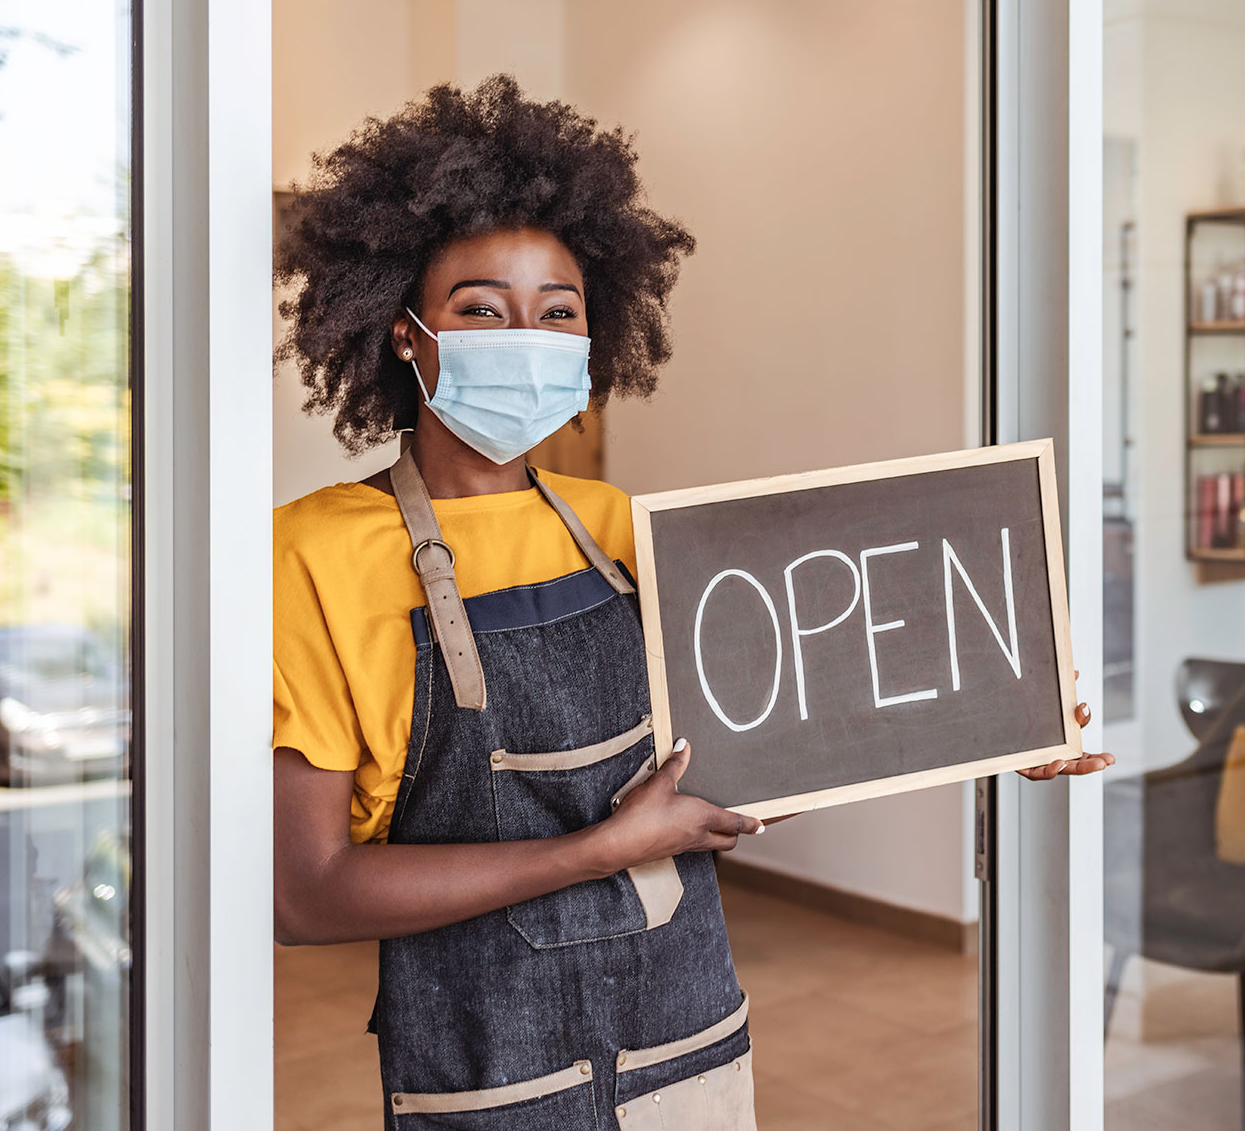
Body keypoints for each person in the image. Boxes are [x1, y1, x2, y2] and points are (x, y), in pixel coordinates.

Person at [271, 76, 1113, 1130]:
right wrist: (592, 852)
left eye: (558, 313)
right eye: (481, 309)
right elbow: (304, 896)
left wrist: (996, 711)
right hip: (493, 1074)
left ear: (591, 341)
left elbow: (732, 773)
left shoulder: (623, 525)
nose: (523, 336)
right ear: (404, 333)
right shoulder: (311, 551)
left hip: (690, 1042)